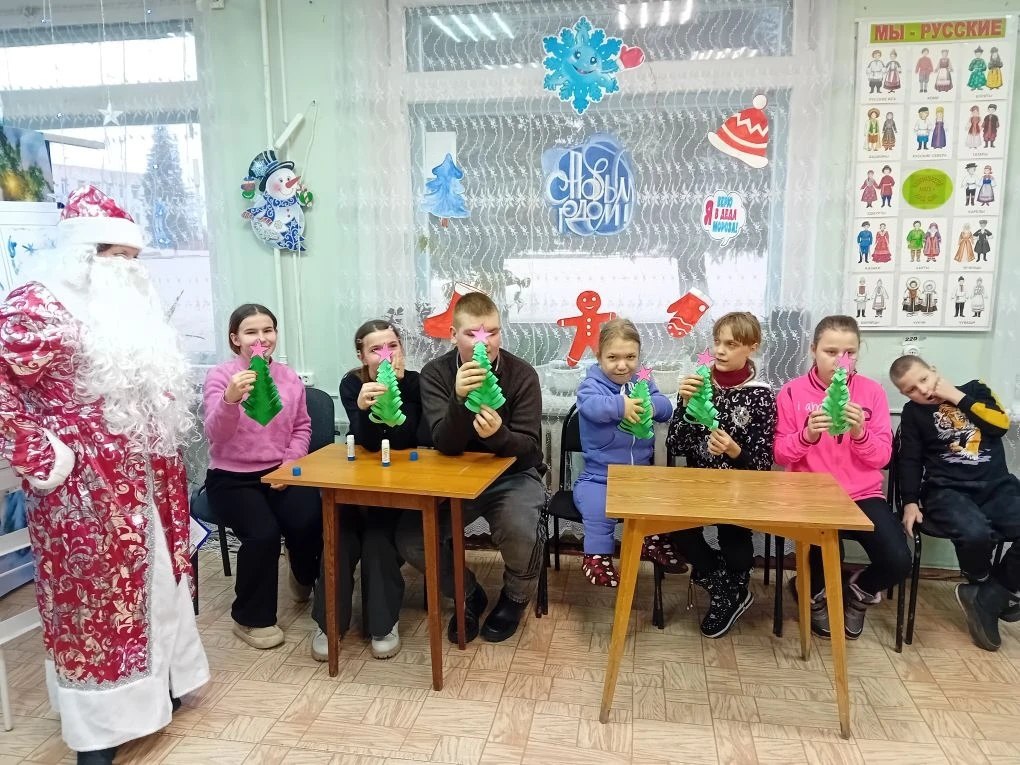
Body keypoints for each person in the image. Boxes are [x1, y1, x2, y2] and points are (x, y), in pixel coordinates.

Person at [0, 185, 209, 764]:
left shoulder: (125, 306)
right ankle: (98, 730)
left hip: (149, 481)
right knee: (95, 604)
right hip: (83, 491)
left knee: (160, 583)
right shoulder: (36, 306)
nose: (131, 268)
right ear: (83, 253)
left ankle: (160, 689)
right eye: (119, 256)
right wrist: (44, 457)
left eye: (135, 257)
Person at [396, 292, 546, 643]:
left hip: (511, 473)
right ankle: (467, 593)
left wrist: (499, 436)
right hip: (454, 475)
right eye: (473, 333)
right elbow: (444, 443)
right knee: (411, 538)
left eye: (492, 332)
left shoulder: (522, 374)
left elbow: (530, 452)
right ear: (453, 335)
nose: (485, 342)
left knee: (520, 528)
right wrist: (459, 400)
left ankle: (515, 597)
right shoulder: (436, 374)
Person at [774, 315, 910, 640]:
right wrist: (806, 435)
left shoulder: (872, 392)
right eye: (831, 351)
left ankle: (859, 592)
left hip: (862, 494)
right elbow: (780, 454)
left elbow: (883, 457)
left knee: (897, 559)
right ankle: (814, 593)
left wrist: (861, 433)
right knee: (825, 552)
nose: (840, 360)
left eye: (849, 352)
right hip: (811, 494)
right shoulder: (792, 392)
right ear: (813, 350)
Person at [203, 304, 322, 650]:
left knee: (310, 518)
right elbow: (215, 435)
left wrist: (288, 464)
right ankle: (250, 618)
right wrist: (230, 400)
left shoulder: (289, 378)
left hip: (280, 470)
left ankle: (302, 574)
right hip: (231, 477)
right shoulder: (221, 376)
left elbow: (302, 428)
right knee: (263, 534)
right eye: (251, 332)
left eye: (268, 330)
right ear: (235, 339)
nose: (261, 338)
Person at [309, 320, 430, 661]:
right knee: (341, 537)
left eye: (392, 346)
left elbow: (412, 438)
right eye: (375, 349)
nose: (385, 355)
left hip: (400, 485)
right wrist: (363, 410)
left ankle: (383, 623)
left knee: (378, 539)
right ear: (361, 355)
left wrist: (395, 394)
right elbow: (365, 443)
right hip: (358, 482)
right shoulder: (352, 383)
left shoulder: (415, 383)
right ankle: (329, 623)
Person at [889, 356, 1020, 651]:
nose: (922, 391)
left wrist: (956, 396)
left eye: (924, 379)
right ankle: (983, 585)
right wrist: (909, 502)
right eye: (911, 390)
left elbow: (1000, 425)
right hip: (946, 491)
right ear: (904, 394)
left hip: (996, 487)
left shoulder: (976, 389)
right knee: (974, 532)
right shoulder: (913, 413)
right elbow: (909, 459)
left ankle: (992, 595)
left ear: (934, 371)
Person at [666, 312, 776, 637]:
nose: (720, 350)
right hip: (698, 486)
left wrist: (734, 450)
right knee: (679, 531)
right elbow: (675, 444)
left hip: (739, 491)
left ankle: (728, 584)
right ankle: (726, 588)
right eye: (717, 342)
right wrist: (686, 407)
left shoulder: (761, 395)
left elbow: (762, 465)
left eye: (731, 344)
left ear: (752, 347)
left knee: (738, 550)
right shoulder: (697, 385)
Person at [574, 319, 679, 587]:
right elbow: (592, 407)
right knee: (598, 510)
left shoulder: (643, 380)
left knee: (662, 500)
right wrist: (622, 406)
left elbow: (665, 406)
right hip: (599, 477)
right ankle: (596, 557)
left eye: (630, 357)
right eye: (613, 358)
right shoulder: (590, 385)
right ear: (599, 356)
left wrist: (652, 407)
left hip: (639, 476)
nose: (622, 365)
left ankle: (651, 542)